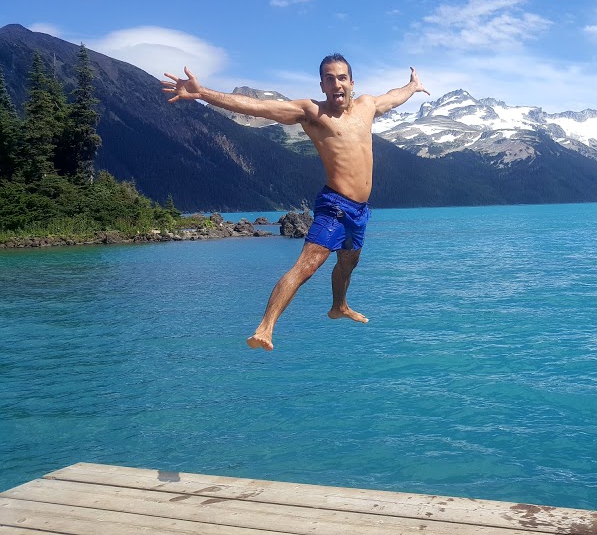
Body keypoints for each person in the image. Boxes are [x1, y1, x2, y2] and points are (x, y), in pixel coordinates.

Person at [162, 54, 429, 351]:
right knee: (308, 265)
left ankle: (339, 306)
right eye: (330, 78)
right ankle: (265, 327)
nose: (336, 83)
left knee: (349, 261)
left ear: (352, 83)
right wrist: (202, 93)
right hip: (334, 205)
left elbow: (392, 98)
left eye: (342, 77)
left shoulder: (367, 106)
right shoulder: (311, 112)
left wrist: (412, 86)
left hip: (360, 211)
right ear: (322, 85)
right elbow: (260, 107)